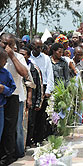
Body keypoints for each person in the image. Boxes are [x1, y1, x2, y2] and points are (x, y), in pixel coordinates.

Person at [0, 33, 29, 165]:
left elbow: (24, 73)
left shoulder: (18, 57)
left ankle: (9, 157)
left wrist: (11, 56)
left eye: (9, 44)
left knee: (10, 129)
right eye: (4, 43)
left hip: (13, 96)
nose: (6, 47)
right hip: (1, 97)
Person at [30, 37, 54, 144]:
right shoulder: (27, 57)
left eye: (41, 47)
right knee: (31, 116)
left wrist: (48, 90)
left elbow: (49, 75)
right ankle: (29, 139)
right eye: (37, 47)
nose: (39, 49)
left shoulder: (45, 58)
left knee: (41, 116)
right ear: (32, 46)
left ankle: (38, 139)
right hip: (31, 87)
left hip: (42, 88)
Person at [19, 47, 43, 149]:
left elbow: (39, 86)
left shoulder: (34, 68)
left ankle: (28, 142)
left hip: (31, 100)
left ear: (28, 56)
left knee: (30, 123)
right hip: (19, 99)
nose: (21, 56)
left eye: (23, 54)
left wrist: (38, 102)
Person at [0, 47, 16, 143]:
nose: (6, 62)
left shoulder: (6, 73)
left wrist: (3, 89)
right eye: (4, 59)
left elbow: (12, 89)